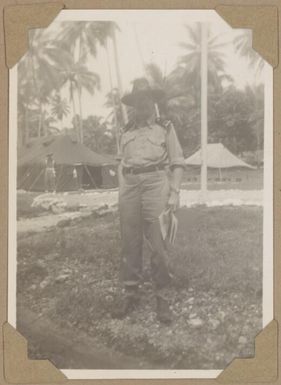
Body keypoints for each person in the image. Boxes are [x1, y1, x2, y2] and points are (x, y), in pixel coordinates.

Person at [113, 78, 185, 323]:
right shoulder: (125, 131)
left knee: (159, 243)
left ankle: (162, 298)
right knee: (129, 243)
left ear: (152, 101)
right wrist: (123, 191)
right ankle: (131, 293)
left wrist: (174, 192)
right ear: (133, 104)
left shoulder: (165, 127)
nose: (141, 105)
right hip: (130, 187)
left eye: (145, 99)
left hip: (157, 184)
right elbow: (121, 163)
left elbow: (177, 163)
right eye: (137, 101)